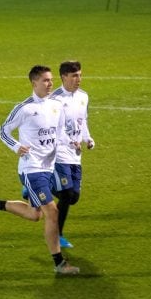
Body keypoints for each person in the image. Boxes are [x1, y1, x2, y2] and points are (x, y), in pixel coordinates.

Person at [0, 65, 79, 275]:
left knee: (35, 215)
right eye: (45, 80)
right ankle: (59, 264)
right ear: (34, 83)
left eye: (50, 80)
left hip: (48, 168)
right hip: (31, 168)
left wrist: (72, 143)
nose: (50, 83)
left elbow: (60, 133)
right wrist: (16, 146)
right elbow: (3, 130)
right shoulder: (24, 108)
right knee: (52, 212)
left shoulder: (56, 105)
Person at [49, 61, 95, 249]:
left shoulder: (83, 97)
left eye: (80, 75)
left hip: (75, 153)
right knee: (67, 195)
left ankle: (36, 187)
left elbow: (82, 121)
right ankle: (57, 235)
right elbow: (54, 128)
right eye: (74, 75)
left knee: (73, 197)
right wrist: (69, 141)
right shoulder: (54, 100)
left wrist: (88, 138)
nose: (79, 79)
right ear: (63, 77)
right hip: (59, 152)